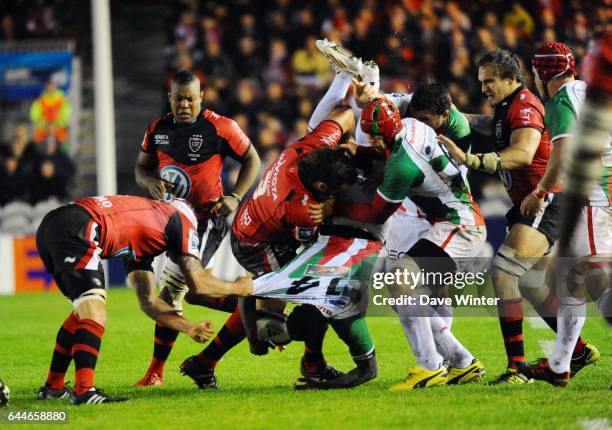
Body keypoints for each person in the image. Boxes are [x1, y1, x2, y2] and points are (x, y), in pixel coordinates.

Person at [438, 48, 598, 384]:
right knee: (530, 282)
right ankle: (579, 351)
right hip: (535, 200)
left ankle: (516, 368)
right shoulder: (507, 107)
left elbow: (523, 153)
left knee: (504, 273)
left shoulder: (524, 105)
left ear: (513, 79)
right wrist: (455, 115)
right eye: (482, 81)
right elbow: (489, 125)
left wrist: (471, 160)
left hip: (546, 199)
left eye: (491, 81)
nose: (484, 88)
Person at [179, 105, 359, 389]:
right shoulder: (303, 208)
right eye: (337, 192)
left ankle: (205, 356)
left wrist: (350, 144)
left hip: (254, 223)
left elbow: (345, 112)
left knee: (277, 302)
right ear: (323, 187)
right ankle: (311, 365)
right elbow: (313, 244)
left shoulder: (314, 145)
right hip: (259, 244)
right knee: (304, 300)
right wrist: (331, 210)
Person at [35, 195, 252, 404]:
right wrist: (239, 287)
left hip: (55, 224)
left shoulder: (148, 222)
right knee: (94, 313)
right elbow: (199, 284)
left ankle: (53, 387)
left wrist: (189, 328)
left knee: (82, 311)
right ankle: (84, 391)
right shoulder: (182, 222)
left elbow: (148, 302)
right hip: (79, 227)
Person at [341, 98, 486, 390]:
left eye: (372, 134)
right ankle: (461, 361)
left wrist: (337, 208)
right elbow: (393, 148)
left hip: (459, 226)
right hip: (454, 219)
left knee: (400, 278)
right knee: (406, 294)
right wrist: (364, 151)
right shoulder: (410, 126)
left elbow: (375, 214)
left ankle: (430, 366)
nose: (370, 139)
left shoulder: (401, 168)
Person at [134, 70, 260, 386]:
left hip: (205, 222)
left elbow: (252, 160)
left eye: (191, 98)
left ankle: (155, 373)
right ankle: (257, 309)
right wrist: (150, 181)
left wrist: (235, 196)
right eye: (179, 98)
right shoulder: (158, 129)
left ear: (201, 97)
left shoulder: (220, 127)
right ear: (170, 98)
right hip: (169, 222)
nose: (185, 104)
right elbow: (141, 167)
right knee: (195, 295)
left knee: (172, 291)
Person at [517, 43, 608, 386]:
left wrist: (540, 191)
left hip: (594, 196)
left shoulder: (562, 100)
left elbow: (564, 153)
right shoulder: (590, 91)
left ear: (542, 73)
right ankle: (559, 366)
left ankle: (560, 364)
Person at [30, 80, 70, 147]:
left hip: (60, 136)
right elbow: (34, 116)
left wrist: (55, 125)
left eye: (52, 84)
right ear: (46, 86)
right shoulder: (39, 101)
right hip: (42, 136)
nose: (50, 87)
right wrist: (45, 125)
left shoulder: (63, 101)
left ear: (56, 85)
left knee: (62, 154)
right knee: (39, 154)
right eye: (49, 84)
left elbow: (66, 116)